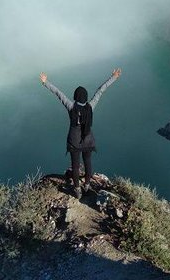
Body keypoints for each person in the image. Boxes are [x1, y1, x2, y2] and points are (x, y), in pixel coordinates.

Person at [39, 68, 121, 199]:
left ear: (75, 97)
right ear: (86, 97)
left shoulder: (71, 107)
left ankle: (77, 190)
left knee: (75, 166)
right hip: (88, 140)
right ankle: (87, 186)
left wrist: (45, 82)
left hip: (74, 142)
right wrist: (114, 77)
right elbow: (101, 91)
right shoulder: (91, 106)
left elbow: (58, 93)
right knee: (88, 163)